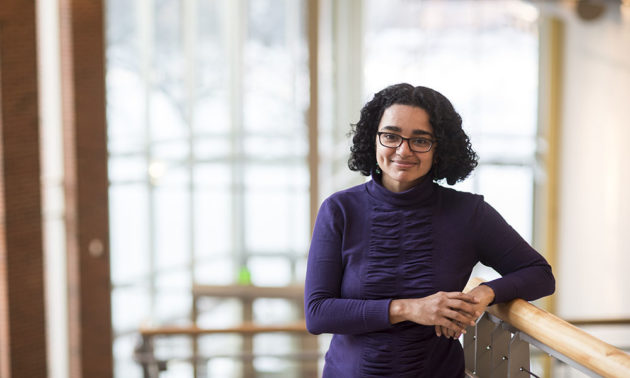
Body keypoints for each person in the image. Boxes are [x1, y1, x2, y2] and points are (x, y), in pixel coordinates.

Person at [304, 83, 555, 377]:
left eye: (420, 140)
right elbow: (318, 314)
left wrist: (483, 294)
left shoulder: (468, 213)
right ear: (374, 138)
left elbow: (540, 274)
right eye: (391, 136)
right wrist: (410, 309)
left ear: (439, 148)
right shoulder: (339, 210)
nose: (403, 150)